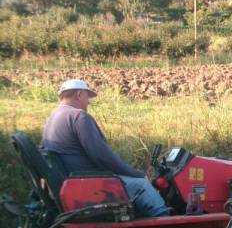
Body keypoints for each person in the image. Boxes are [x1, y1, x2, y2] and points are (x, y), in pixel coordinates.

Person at [42, 79, 169, 217]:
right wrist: (136, 174)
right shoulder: (78, 116)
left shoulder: (52, 118)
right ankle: (167, 225)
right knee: (142, 185)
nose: (88, 102)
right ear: (79, 94)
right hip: (88, 183)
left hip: (71, 181)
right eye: (87, 97)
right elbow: (102, 156)